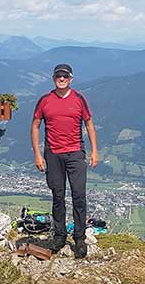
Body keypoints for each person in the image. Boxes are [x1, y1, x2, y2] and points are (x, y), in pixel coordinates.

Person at [30, 63, 99, 258]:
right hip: (53, 154)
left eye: (65, 76)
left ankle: (79, 238)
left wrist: (94, 151)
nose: (61, 79)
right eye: (58, 76)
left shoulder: (79, 99)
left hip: (76, 153)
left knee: (79, 195)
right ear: (53, 78)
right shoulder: (45, 100)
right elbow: (35, 126)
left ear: (71, 79)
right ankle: (59, 236)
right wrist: (37, 154)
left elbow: (89, 124)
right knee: (57, 196)